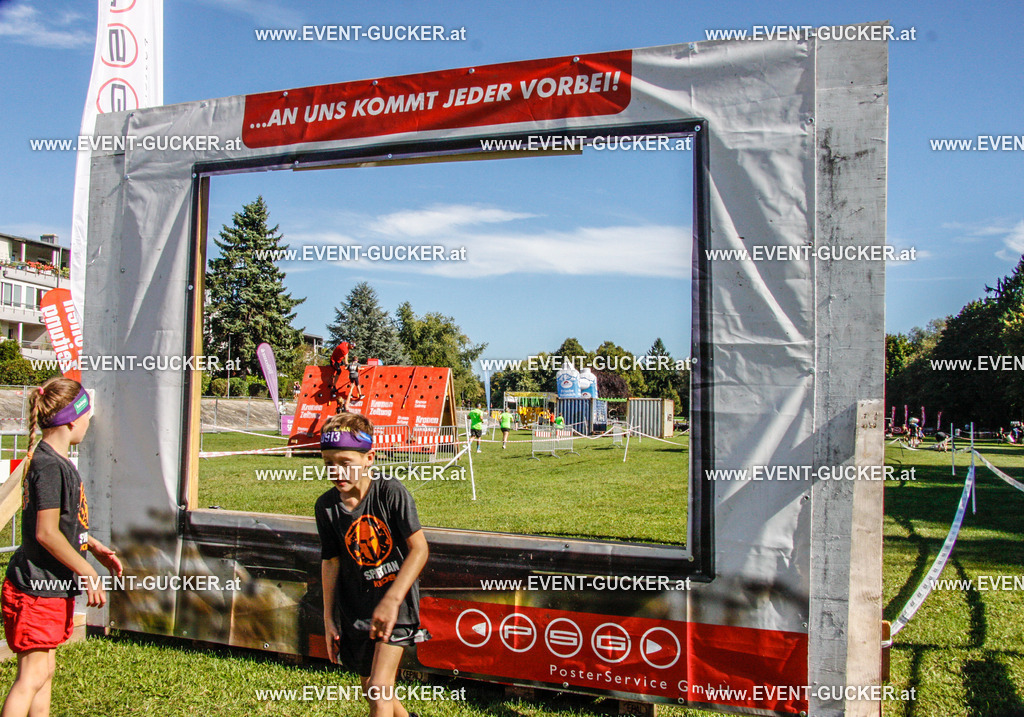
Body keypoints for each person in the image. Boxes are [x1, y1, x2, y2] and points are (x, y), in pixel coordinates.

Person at [1, 378, 122, 717]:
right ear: (72, 420)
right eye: (87, 418)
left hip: (50, 588)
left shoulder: (53, 460)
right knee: (32, 675)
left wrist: (90, 544)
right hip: (36, 589)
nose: (88, 424)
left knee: (45, 673)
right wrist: (87, 572)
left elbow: (61, 524)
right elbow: (45, 533)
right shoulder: (49, 465)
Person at [315, 413, 429, 717]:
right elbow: (331, 561)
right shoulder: (326, 507)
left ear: (369, 458)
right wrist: (329, 618)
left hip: (397, 605)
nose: (336, 471)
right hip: (356, 609)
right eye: (328, 464)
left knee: (379, 688)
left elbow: (419, 549)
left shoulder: (390, 492)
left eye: (345, 462)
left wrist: (392, 600)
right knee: (372, 688)